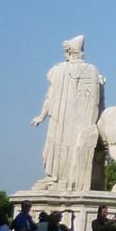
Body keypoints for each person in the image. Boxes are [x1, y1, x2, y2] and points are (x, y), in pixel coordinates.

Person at [30, 35, 105, 192]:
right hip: (83, 123)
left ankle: (56, 178)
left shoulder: (59, 70)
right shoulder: (92, 71)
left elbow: (50, 96)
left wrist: (42, 116)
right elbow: (98, 101)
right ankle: (68, 180)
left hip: (62, 121)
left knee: (55, 148)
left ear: (69, 52)